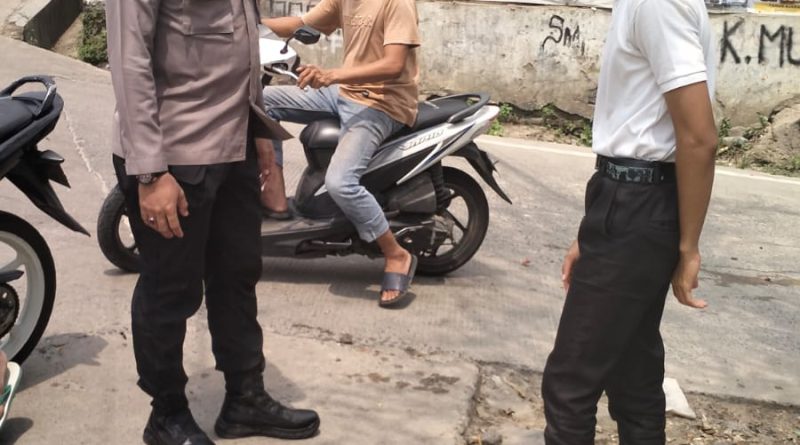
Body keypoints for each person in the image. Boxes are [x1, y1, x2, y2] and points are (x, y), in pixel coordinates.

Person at [105, 1, 320, 444]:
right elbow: (129, 60)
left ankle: (245, 397)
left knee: (237, 274)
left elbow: (247, 43)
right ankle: (166, 414)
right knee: (170, 289)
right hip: (174, 154)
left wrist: (260, 135)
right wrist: (150, 173)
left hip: (234, 142)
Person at [541, 0, 718, 443]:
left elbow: (699, 137)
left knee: (570, 382)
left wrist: (689, 247)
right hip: (625, 199)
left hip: (637, 204)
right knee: (633, 374)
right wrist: (593, 229)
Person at [259, 0, 421, 307]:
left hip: (382, 103)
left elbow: (394, 65)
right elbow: (298, 24)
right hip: (345, 93)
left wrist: (332, 75)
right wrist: (246, 22)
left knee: (341, 182)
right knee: (262, 100)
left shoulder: (397, 3)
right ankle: (275, 198)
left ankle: (396, 254)